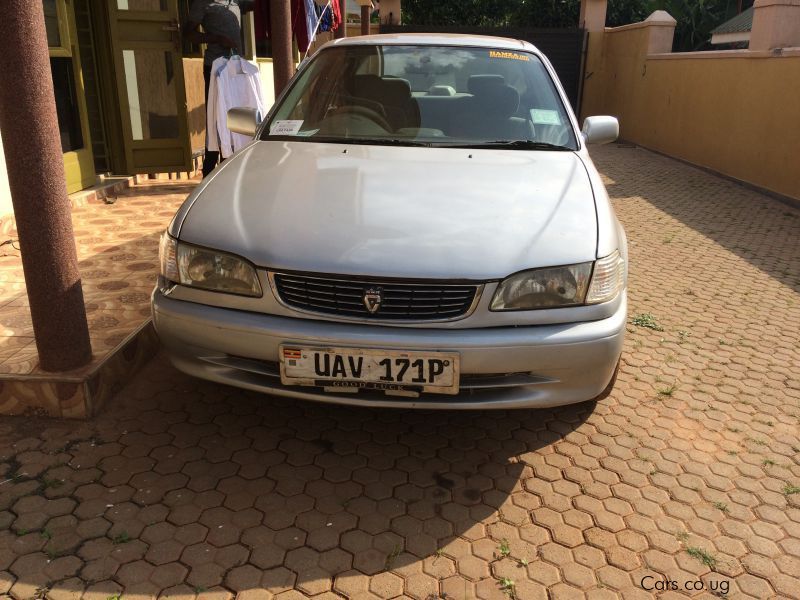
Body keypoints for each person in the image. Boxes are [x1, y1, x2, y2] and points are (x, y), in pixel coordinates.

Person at [184, 0, 255, 177]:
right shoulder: (203, 4)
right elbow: (188, 34)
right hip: (215, 67)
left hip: (236, 67)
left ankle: (234, 161)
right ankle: (209, 169)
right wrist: (216, 38)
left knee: (239, 114)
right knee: (216, 116)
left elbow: (259, 6)